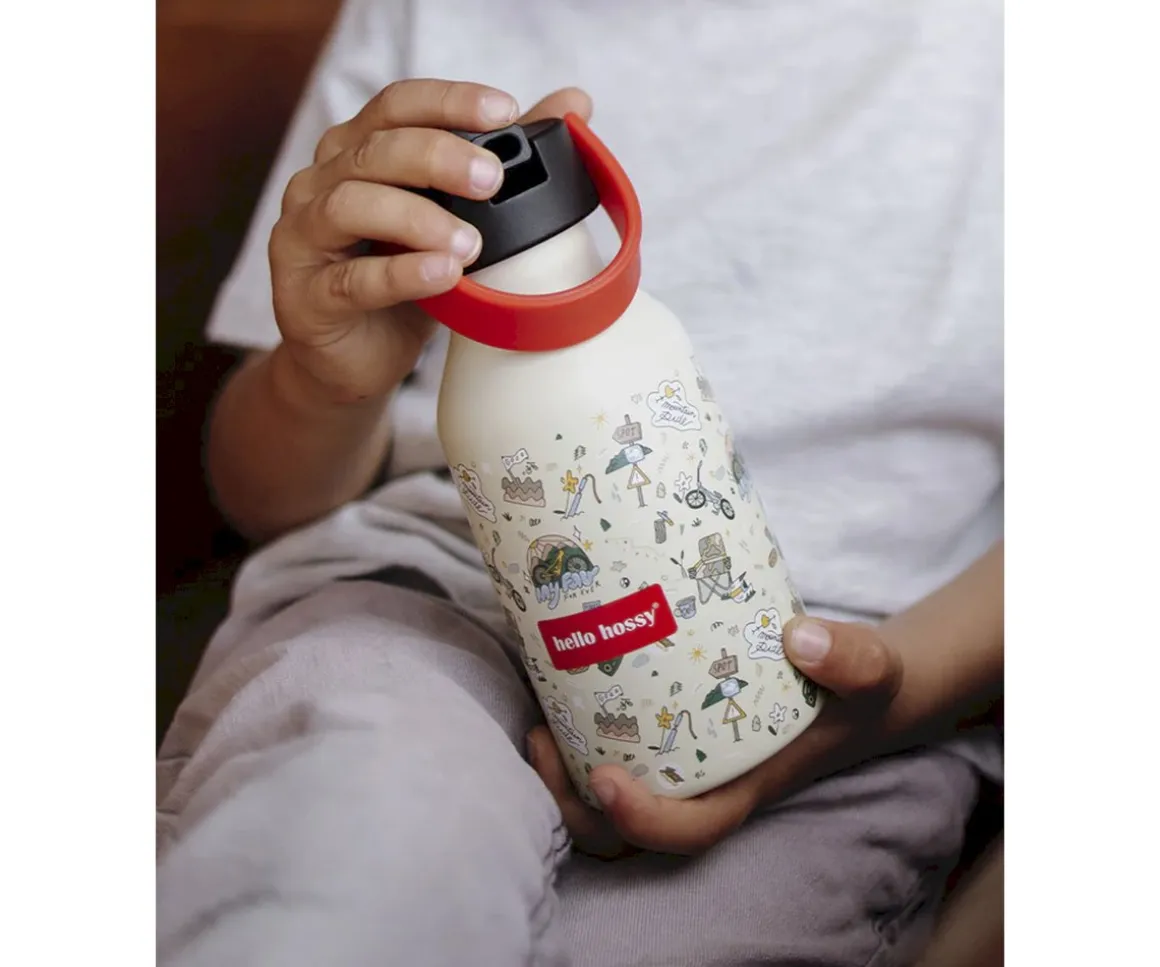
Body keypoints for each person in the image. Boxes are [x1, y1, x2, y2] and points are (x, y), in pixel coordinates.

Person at [156, 1, 1003, 965]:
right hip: (424, 598)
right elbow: (267, 497)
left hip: (840, 676)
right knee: (343, 863)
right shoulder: (423, 16)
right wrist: (325, 381)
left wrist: (884, 698)